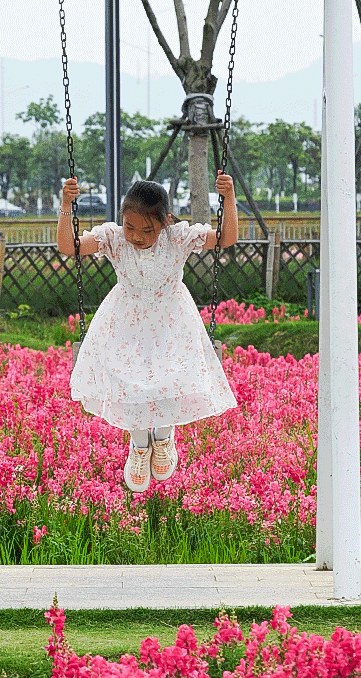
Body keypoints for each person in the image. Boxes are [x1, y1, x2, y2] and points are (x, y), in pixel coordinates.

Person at [58, 173, 238, 493]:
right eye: (131, 227)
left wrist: (229, 198)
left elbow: (225, 238)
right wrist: (66, 206)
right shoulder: (113, 238)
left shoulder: (178, 237)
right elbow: (68, 247)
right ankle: (139, 446)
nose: (138, 236)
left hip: (171, 319)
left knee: (169, 378)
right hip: (125, 320)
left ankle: (163, 438)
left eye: (148, 230)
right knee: (130, 381)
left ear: (165, 222)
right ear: (121, 220)